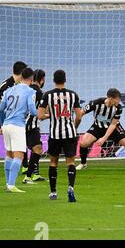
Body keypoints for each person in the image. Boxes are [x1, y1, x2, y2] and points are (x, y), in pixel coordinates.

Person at [76, 88, 125, 172]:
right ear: (111, 98)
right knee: (83, 143)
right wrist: (76, 122)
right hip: (97, 127)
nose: (118, 102)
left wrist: (104, 138)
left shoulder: (118, 107)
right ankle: (83, 163)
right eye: (117, 100)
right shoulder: (95, 103)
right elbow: (81, 113)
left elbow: (113, 124)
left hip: (114, 128)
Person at [38, 70, 82, 202]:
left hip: (55, 134)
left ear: (53, 80)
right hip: (70, 133)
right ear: (65, 80)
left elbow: (40, 115)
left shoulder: (47, 95)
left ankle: (53, 192)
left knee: (53, 162)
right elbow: (79, 115)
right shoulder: (73, 95)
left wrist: (51, 115)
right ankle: (70, 187)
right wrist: (74, 127)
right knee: (70, 162)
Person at [0, 67, 37, 192]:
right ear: (31, 79)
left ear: (21, 77)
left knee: (9, 154)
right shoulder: (30, 91)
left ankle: (8, 184)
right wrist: (42, 115)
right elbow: (31, 109)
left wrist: (2, 123)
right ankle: (11, 185)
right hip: (17, 125)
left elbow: (0, 109)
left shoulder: (9, 90)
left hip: (6, 125)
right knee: (19, 155)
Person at [22, 69, 47, 184]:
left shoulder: (25, 89)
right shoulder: (40, 94)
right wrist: (52, 115)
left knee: (34, 148)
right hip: (31, 125)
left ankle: (35, 174)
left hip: (21, 123)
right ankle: (28, 177)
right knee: (38, 149)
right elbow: (41, 115)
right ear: (42, 80)